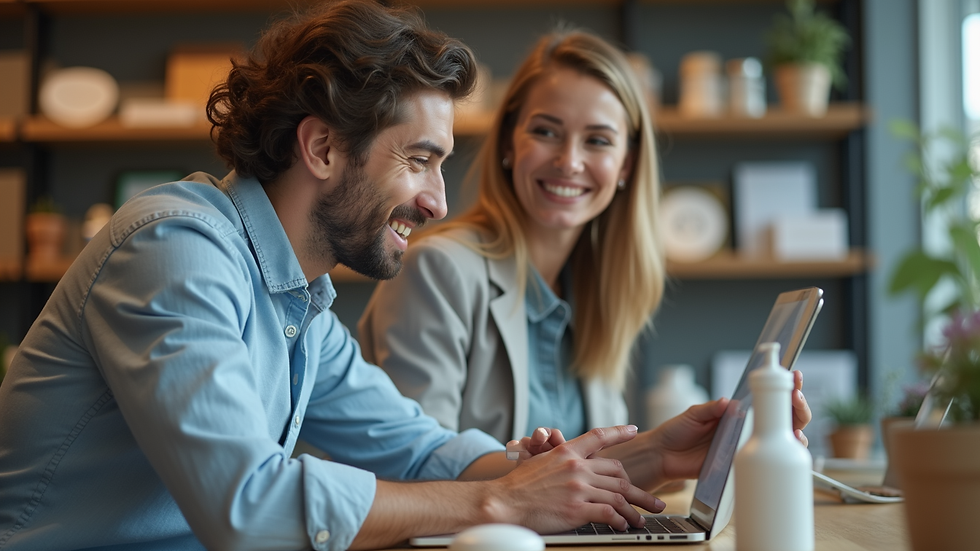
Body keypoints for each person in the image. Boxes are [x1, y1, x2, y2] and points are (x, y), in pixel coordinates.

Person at [0, 4, 666, 551]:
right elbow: (246, 508)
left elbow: (418, 448)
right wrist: (501, 499)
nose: (437, 202)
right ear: (321, 147)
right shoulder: (173, 249)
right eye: (419, 159)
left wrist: (664, 453)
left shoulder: (300, 304)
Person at [358, 28, 813, 491]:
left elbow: (571, 483)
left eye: (597, 140)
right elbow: (415, 473)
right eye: (546, 131)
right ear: (510, 144)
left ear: (627, 166)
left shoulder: (600, 291)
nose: (569, 161)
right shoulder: (436, 269)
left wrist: (673, 454)